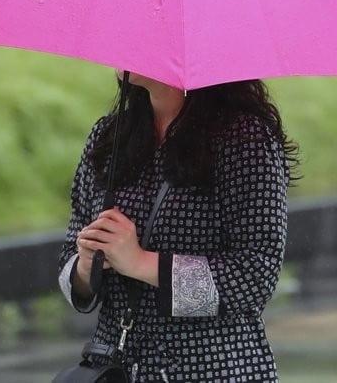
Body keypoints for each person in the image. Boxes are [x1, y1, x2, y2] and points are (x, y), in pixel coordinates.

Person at [57, 71, 297, 381]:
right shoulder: (110, 135)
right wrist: (86, 264)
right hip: (117, 367)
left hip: (214, 369)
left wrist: (142, 262)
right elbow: (69, 258)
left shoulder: (246, 140)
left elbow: (255, 274)